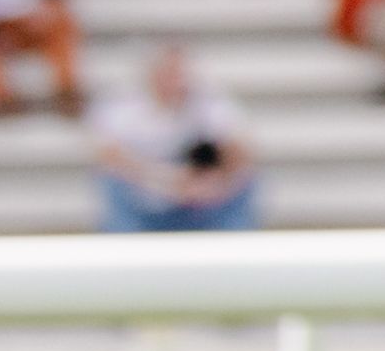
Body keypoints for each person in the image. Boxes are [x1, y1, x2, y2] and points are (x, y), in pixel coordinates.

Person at [93, 41, 261, 230]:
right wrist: (167, 181)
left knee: (247, 178)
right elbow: (110, 155)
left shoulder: (208, 101)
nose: (174, 80)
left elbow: (238, 148)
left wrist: (211, 180)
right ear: (152, 74)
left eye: (178, 73)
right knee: (111, 181)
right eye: (167, 73)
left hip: (202, 198)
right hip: (146, 194)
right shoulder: (125, 105)